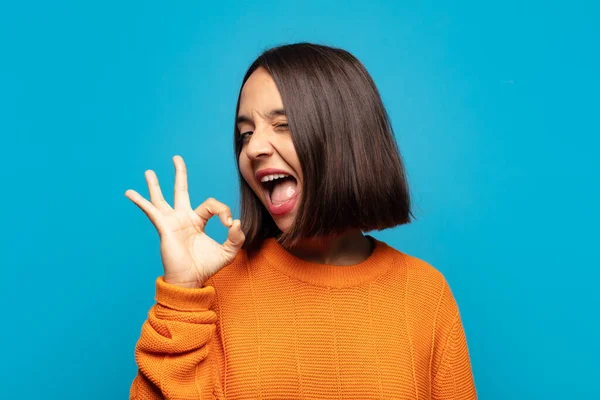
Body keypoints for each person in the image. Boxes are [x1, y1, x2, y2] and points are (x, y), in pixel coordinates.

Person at [125, 42, 477, 400]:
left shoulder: (424, 294)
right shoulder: (212, 290)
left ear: (346, 139)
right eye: (246, 133)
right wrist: (182, 293)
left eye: (283, 125)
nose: (254, 148)